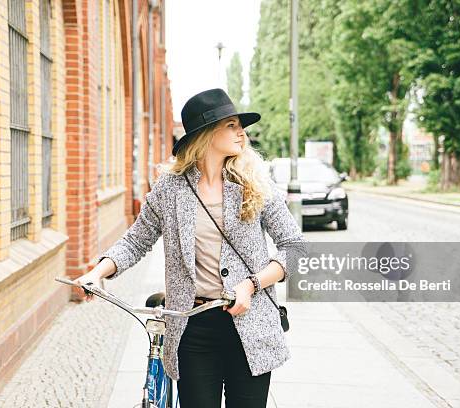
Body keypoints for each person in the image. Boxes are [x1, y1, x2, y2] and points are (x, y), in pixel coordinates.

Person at [73, 88, 307, 407]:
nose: (241, 132)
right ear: (206, 134)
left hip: (251, 325)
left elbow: (294, 248)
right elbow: (135, 240)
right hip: (193, 328)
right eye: (231, 125)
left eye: (240, 125)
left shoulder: (255, 182)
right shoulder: (170, 189)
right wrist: (96, 273)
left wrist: (252, 285)